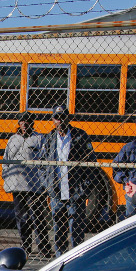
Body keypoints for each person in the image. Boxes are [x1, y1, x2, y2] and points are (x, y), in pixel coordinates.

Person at [40, 105, 97, 256]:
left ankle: (77, 258)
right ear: (53, 120)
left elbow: (92, 165)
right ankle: (60, 258)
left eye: (63, 116)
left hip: (75, 191)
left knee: (77, 229)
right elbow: (41, 164)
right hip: (56, 191)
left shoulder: (80, 136)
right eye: (57, 117)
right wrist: (48, 185)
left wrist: (84, 189)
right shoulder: (50, 138)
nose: (60, 120)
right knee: (58, 228)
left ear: (68, 118)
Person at [2, 111, 51, 256]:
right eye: (22, 121)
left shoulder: (39, 139)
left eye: (27, 121)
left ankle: (44, 247)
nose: (24, 124)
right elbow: (6, 160)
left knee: (37, 216)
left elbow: (45, 161)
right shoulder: (13, 140)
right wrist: (6, 177)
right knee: (21, 217)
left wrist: (44, 181)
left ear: (32, 123)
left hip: (35, 185)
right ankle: (26, 246)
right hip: (17, 184)